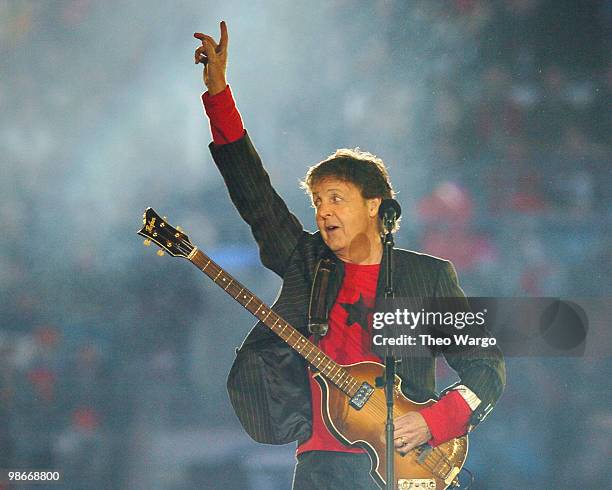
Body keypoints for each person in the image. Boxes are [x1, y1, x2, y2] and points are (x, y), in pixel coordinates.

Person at [194, 22, 505, 489]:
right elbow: (255, 197)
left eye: (335, 197)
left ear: (374, 203)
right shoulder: (307, 262)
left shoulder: (428, 277)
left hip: (409, 462)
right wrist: (219, 96)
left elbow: (487, 366)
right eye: (317, 201)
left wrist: (433, 422)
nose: (322, 211)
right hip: (324, 465)